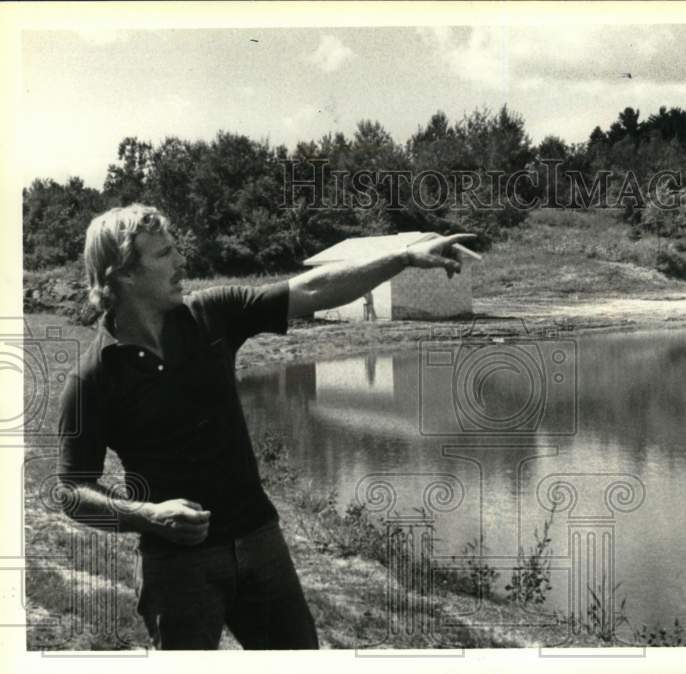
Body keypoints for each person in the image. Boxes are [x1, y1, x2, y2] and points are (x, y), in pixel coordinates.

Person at [56, 204, 473, 649]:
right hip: (178, 567)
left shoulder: (211, 315)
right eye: (164, 254)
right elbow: (71, 491)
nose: (181, 263)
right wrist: (149, 517)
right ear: (123, 275)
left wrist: (404, 256)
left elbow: (312, 288)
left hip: (261, 541)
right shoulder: (93, 378)